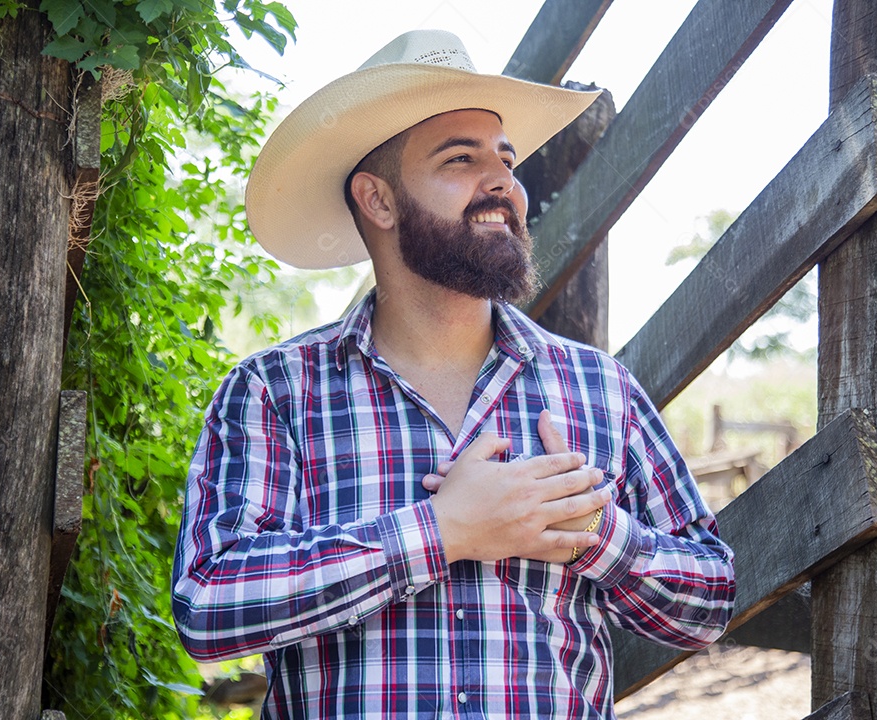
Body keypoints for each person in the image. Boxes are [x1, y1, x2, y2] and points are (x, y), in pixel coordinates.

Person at [172, 29, 735, 719]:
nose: (503, 182)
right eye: (461, 158)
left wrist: (596, 533)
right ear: (378, 200)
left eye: (506, 158)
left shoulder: (602, 389)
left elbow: (710, 603)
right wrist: (441, 531)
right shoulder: (275, 391)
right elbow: (208, 606)